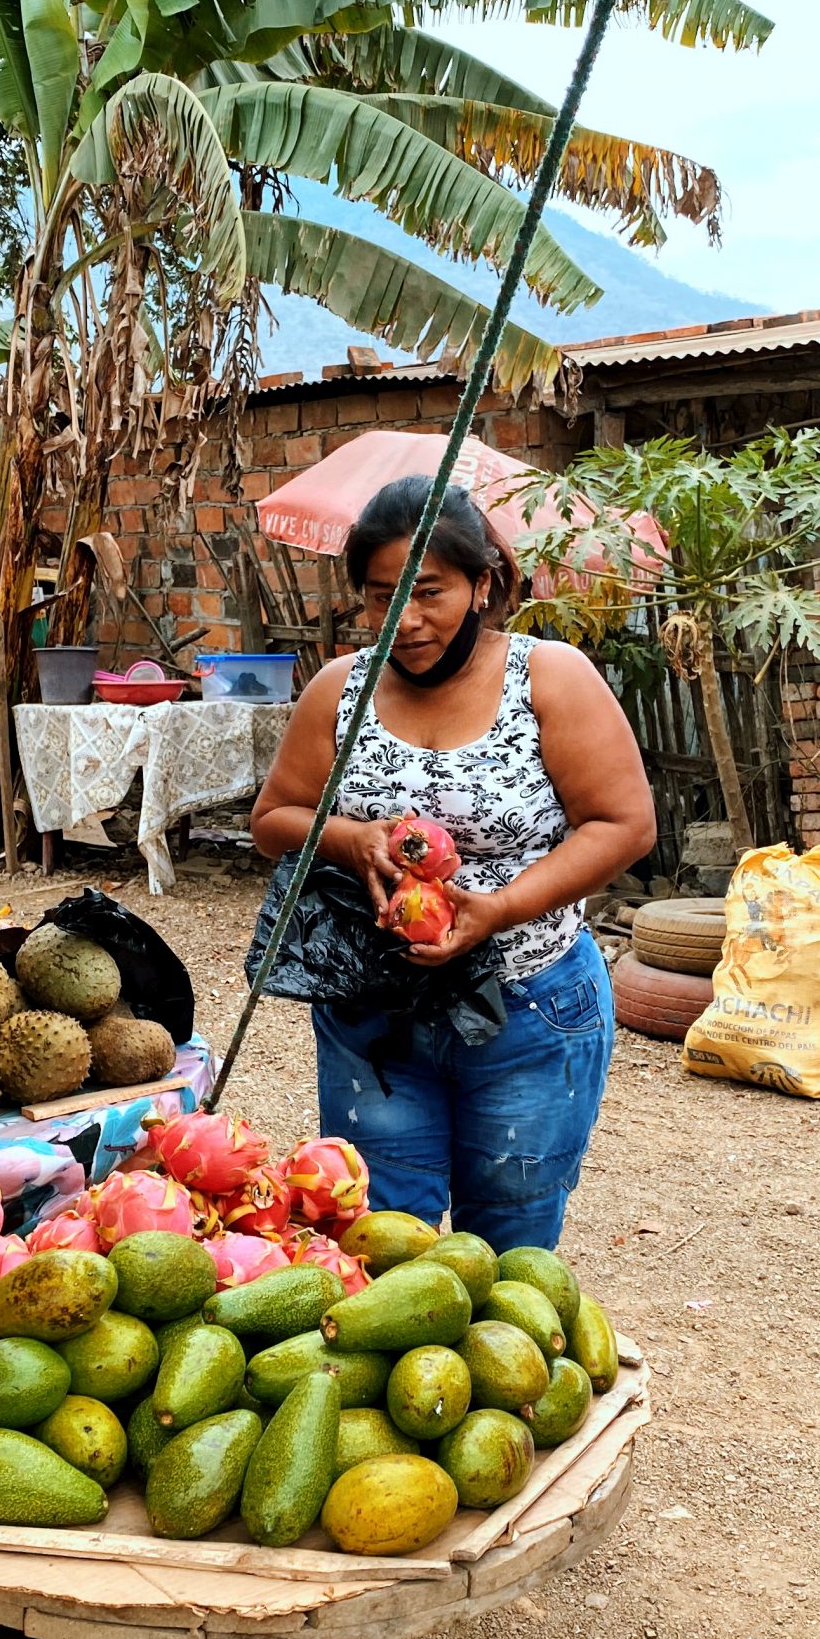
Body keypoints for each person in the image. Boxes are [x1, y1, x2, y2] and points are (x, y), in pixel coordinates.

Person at [249, 476, 655, 1250]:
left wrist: (499, 910)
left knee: (509, 1239)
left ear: (483, 583)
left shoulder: (548, 678)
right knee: (379, 1235)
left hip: (530, 1003)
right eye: (378, 597)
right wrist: (352, 838)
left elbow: (625, 825)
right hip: (374, 1010)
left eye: (428, 591)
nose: (402, 620)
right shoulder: (341, 689)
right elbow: (273, 822)